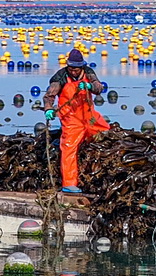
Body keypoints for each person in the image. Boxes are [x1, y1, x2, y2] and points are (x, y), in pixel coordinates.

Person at [43, 47, 110, 194]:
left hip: (90, 117)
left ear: (81, 66)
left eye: (76, 69)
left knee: (106, 135)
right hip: (71, 119)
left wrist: (89, 86)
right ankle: (69, 183)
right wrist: (48, 109)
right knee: (69, 148)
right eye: (71, 68)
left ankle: (99, 176)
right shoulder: (60, 77)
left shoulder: (88, 73)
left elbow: (99, 88)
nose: (73, 71)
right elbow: (49, 95)